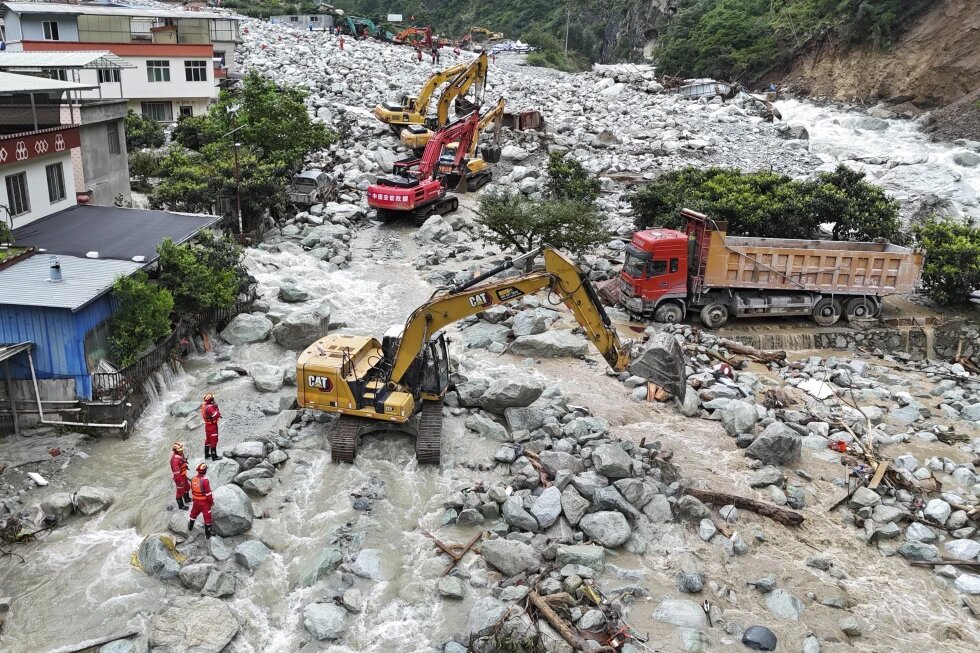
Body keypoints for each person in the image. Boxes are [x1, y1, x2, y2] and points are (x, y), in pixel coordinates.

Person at [188, 463, 214, 539]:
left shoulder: (193, 479)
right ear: (205, 471)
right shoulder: (205, 481)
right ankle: (208, 535)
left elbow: (192, 490)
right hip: (204, 503)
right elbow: (208, 494)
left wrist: (195, 498)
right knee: (207, 517)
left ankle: (190, 527)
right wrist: (211, 502)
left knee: (193, 513)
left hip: (196, 501)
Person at [170, 442, 191, 510]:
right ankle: (181, 505)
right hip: (179, 477)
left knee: (187, 487)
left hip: (183, 475)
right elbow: (176, 473)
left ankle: (187, 499)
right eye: (180, 450)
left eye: (182, 450)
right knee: (180, 491)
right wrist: (180, 481)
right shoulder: (175, 460)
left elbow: (183, 463)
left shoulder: (181, 455)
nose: (182, 451)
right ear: (176, 451)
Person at [201, 392, 221, 461]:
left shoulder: (204, 405)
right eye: (213, 398)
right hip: (212, 427)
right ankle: (214, 456)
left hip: (207, 426)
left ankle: (206, 455)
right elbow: (216, 415)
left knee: (208, 440)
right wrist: (216, 408)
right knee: (214, 441)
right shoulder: (210, 408)